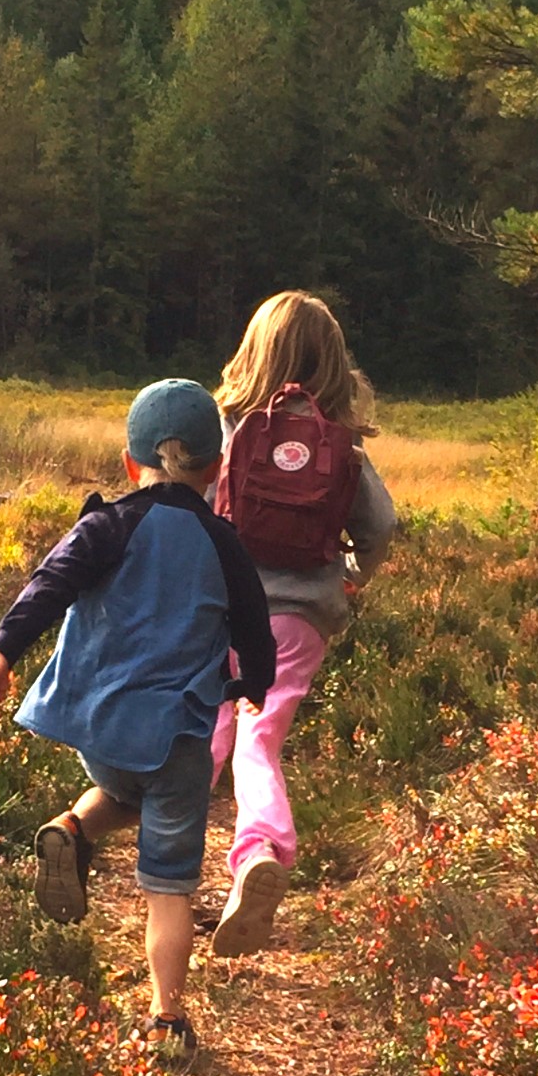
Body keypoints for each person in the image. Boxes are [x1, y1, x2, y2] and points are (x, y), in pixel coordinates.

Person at [0, 378, 275, 1062]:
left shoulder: (107, 524)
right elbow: (255, 627)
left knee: (119, 792)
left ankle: (72, 829)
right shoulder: (221, 543)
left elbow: (47, 584)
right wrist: (253, 684)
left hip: (100, 727)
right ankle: (168, 1018)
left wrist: (2, 652)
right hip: (177, 735)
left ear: (127, 462)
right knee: (169, 885)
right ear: (217, 469)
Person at [207, 291, 397, 956]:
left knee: (206, 723)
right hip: (299, 618)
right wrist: (348, 581)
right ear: (333, 365)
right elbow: (381, 528)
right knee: (259, 737)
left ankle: (158, 845)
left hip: (222, 609)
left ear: (256, 354)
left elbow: (192, 510)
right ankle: (259, 849)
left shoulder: (228, 429)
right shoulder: (342, 444)